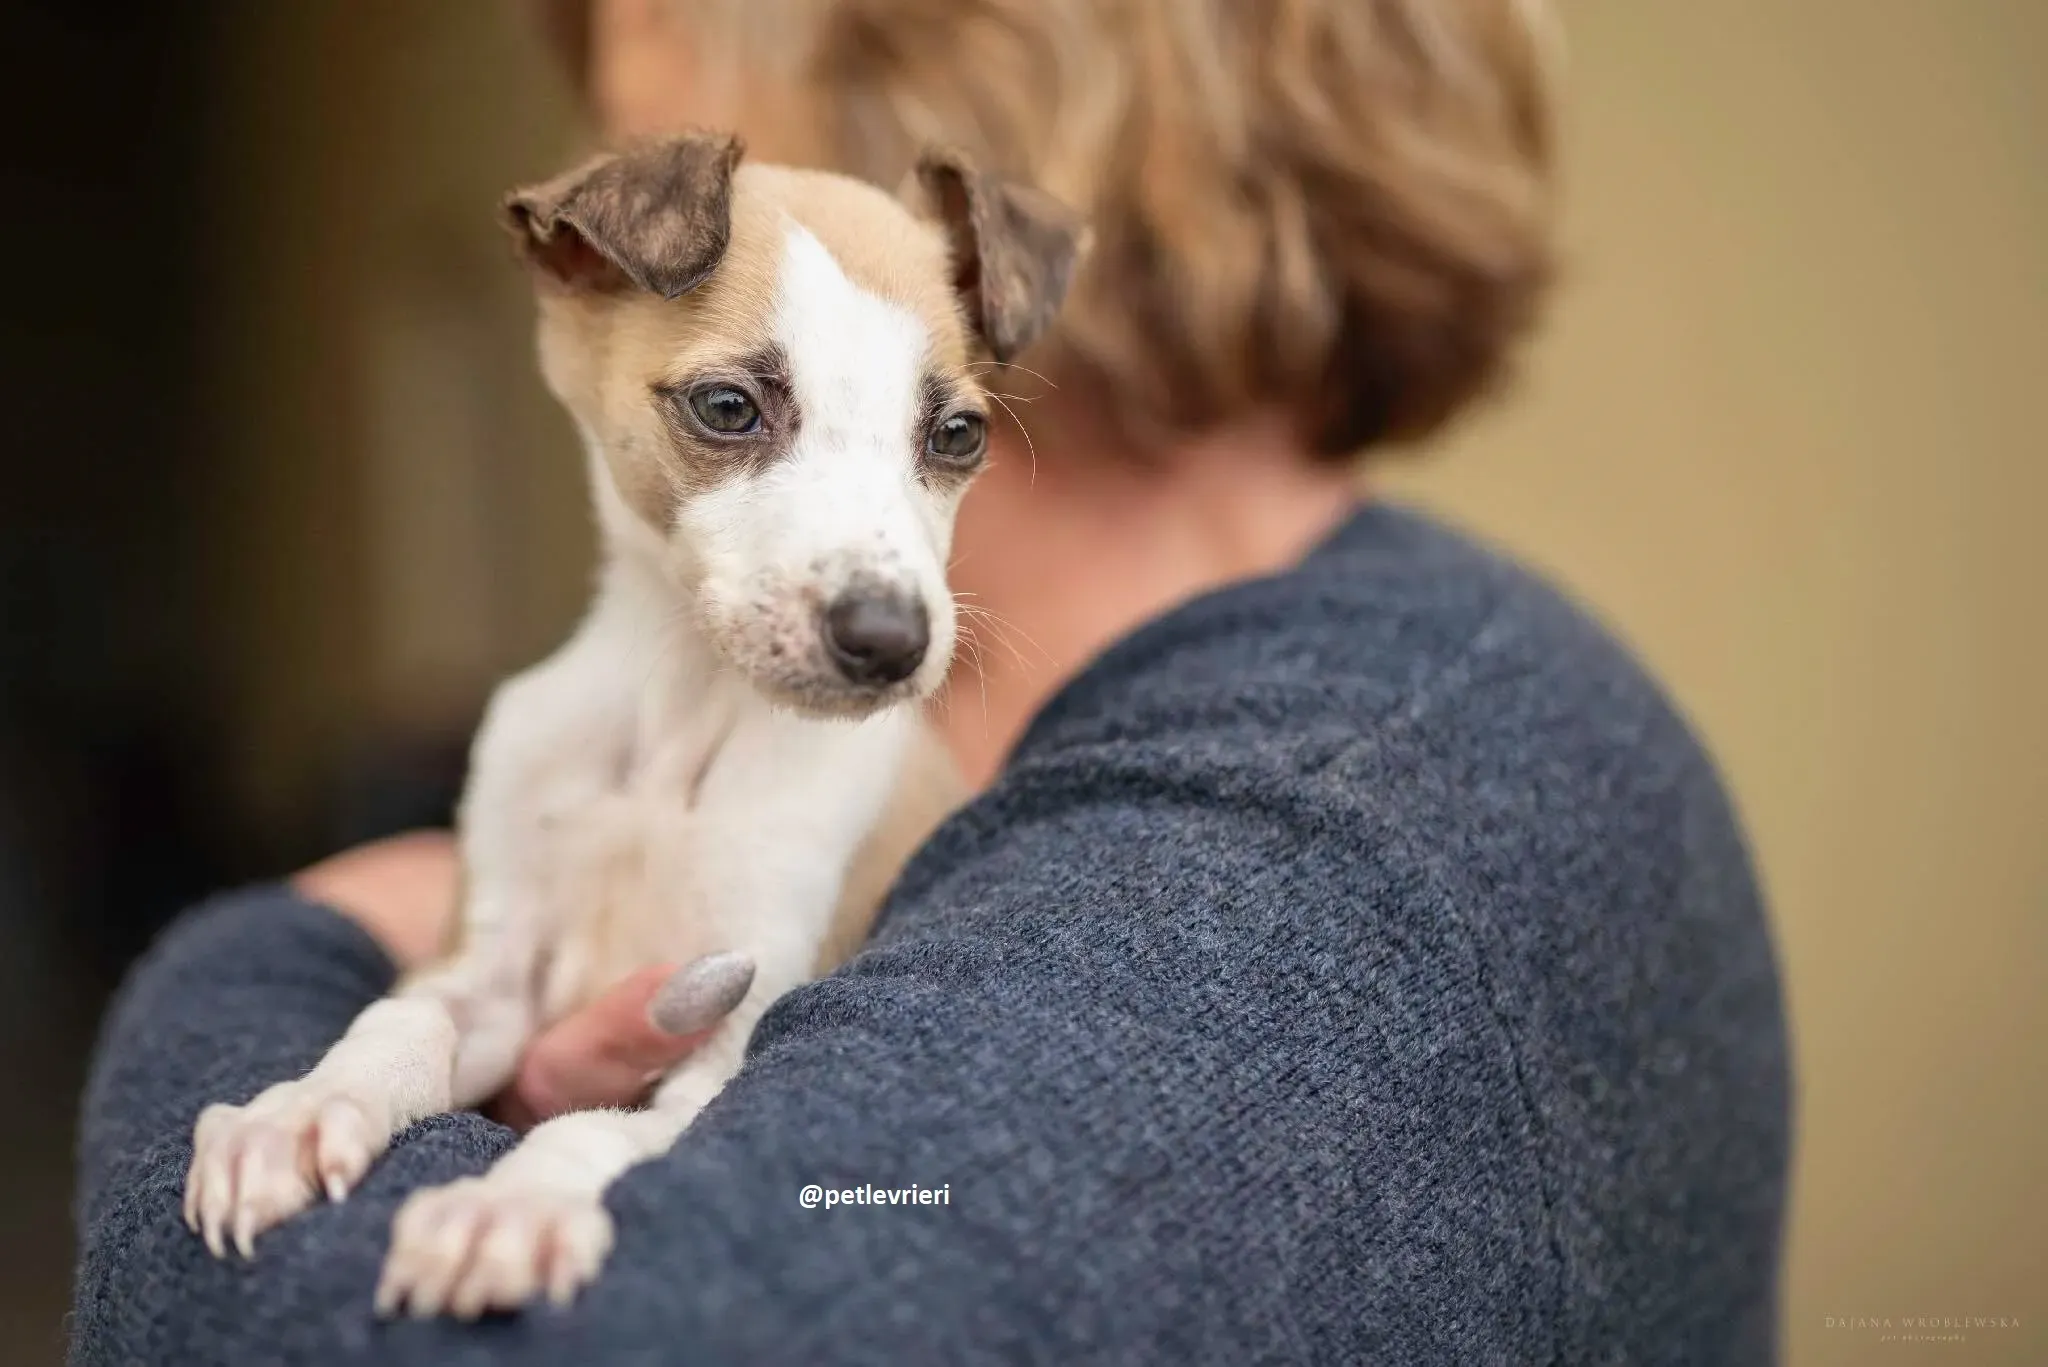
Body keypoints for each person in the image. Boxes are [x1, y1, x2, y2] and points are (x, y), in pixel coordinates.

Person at [72, 1, 1791, 1362]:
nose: (599, 71)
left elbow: (563, 1319)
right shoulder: (1391, 704)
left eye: (639, 18)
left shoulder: (1300, 862)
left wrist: (279, 955)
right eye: (732, 409)